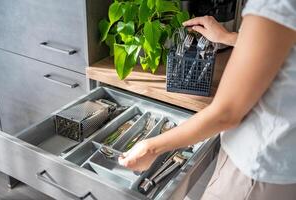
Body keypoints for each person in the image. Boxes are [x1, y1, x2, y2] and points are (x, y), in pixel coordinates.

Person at [119, 0, 296, 199]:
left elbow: (226, 114)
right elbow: (280, 45)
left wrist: (151, 148)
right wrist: (227, 37)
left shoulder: (275, 3)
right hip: (284, 163)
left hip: (256, 166)